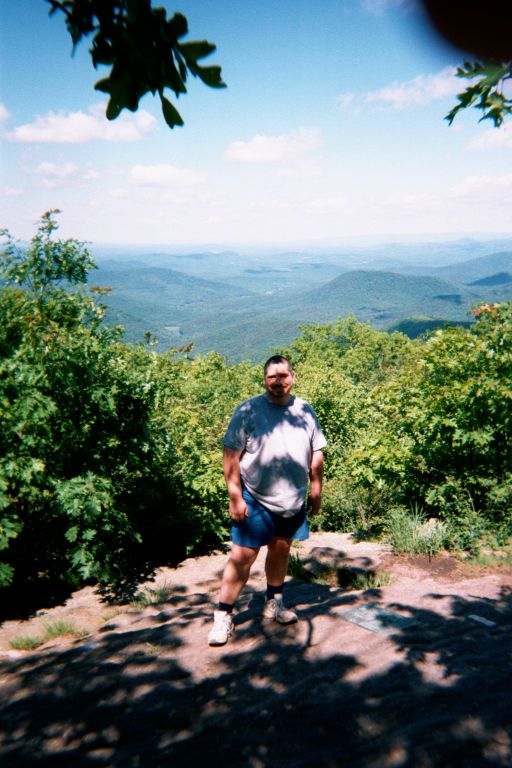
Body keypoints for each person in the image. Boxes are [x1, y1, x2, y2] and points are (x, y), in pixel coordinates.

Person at [208, 354, 326, 646]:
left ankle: (274, 601)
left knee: (281, 549)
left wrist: (316, 489)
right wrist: (235, 497)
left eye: (283, 376)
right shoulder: (248, 410)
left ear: (293, 377)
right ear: (264, 379)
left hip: (292, 500)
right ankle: (223, 615)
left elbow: (317, 452)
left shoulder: (305, 411)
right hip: (255, 497)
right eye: (272, 377)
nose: (278, 382)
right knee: (243, 557)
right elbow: (230, 456)